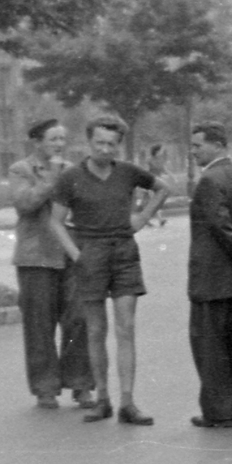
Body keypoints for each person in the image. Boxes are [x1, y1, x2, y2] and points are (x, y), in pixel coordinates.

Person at [48, 114, 169, 424]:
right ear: (88, 142)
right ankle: (102, 398)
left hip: (124, 253)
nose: (104, 149)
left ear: (119, 146)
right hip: (91, 254)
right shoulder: (70, 177)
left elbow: (162, 188)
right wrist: (77, 255)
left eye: (111, 144)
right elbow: (56, 222)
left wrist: (141, 218)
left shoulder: (128, 172)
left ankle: (128, 402)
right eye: (99, 143)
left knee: (125, 327)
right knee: (96, 329)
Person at [9, 118, 94, 409]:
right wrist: (51, 180)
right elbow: (24, 204)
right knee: (39, 324)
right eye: (53, 139)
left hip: (70, 253)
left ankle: (81, 384)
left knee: (79, 319)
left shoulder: (72, 170)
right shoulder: (21, 169)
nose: (59, 144)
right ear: (37, 142)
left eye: (62, 139)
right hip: (36, 258)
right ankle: (45, 388)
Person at [186, 121, 232, 427]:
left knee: (211, 347)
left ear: (217, 145)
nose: (193, 152)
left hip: (212, 280)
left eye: (197, 145)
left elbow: (222, 227)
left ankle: (218, 411)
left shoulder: (208, 180)